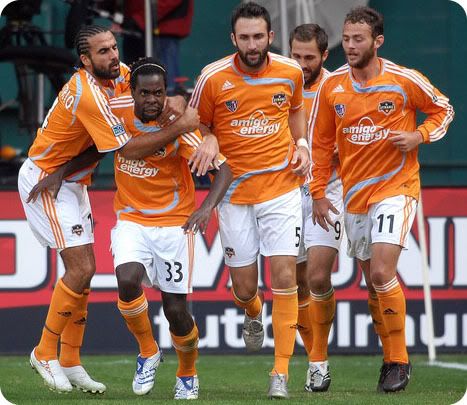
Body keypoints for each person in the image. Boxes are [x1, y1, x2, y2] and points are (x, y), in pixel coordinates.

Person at [17, 24, 196, 394]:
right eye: (103, 52)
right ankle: (44, 351)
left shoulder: (122, 76)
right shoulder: (88, 92)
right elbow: (125, 149)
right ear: (85, 60)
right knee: (83, 269)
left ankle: (70, 360)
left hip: (71, 179)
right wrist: (183, 126)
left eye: (114, 47)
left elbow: (153, 89)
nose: (114, 56)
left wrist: (176, 98)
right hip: (46, 178)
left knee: (81, 274)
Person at [309, 6, 454, 393]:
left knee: (380, 273)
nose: (351, 45)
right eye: (348, 38)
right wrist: (319, 193)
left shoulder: (403, 80)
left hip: (396, 188)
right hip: (354, 197)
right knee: (371, 284)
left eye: (359, 39)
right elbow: (321, 144)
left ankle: (398, 361)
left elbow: (444, 109)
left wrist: (419, 136)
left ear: (378, 41)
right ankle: (387, 357)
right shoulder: (333, 86)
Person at [189, 2, 310, 399]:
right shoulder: (212, 76)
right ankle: (253, 313)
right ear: (233, 39)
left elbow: (295, 112)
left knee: (286, 277)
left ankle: (281, 374)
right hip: (234, 193)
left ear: (271, 37)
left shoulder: (290, 71)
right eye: (245, 37)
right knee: (244, 287)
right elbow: (196, 121)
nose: (252, 44)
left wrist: (303, 143)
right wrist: (207, 134)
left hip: (281, 188)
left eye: (259, 36)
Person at [289, 23, 343, 393]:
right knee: (296, 282)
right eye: (296, 56)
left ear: (324, 55)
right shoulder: (278, 81)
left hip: (330, 188)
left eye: (309, 57)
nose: (302, 63)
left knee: (319, 277)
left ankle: (318, 361)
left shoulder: (338, 86)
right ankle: (316, 362)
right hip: (288, 192)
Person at [118, 0, 194, 94]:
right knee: (132, 84)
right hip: (133, 28)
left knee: (165, 88)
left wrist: (139, 19)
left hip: (162, 29)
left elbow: (168, 3)